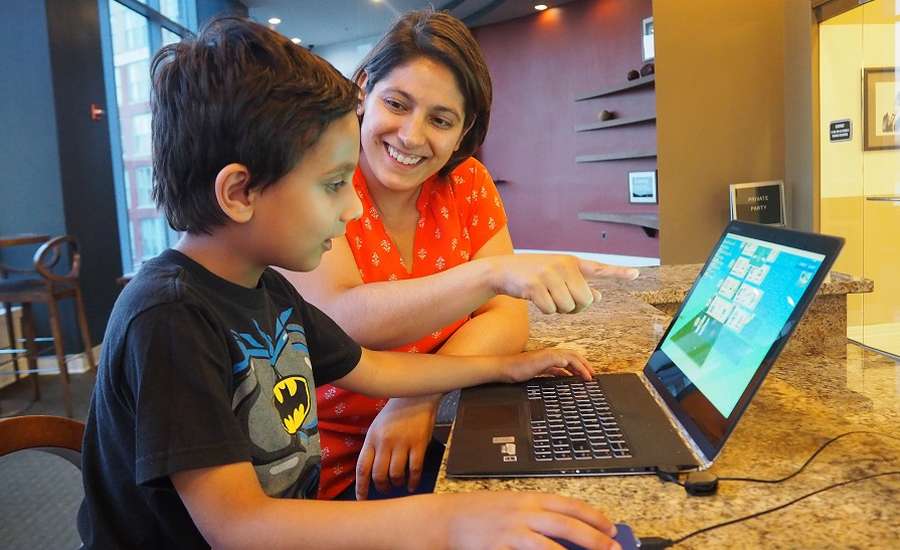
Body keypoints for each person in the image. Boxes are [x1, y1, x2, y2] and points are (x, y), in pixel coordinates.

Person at [76, 16, 623, 550]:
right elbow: (239, 527)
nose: (354, 205)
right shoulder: (168, 318)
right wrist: (447, 522)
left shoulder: (267, 290)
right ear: (239, 193)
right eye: (336, 184)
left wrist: (507, 366)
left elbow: (376, 367)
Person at [283, 10, 640, 501]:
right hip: (320, 472)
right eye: (397, 103)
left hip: (434, 432)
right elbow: (343, 319)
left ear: (465, 126)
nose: (411, 136)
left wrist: (419, 396)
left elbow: (508, 320)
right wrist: (492, 273)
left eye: (440, 119)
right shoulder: (325, 174)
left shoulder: (467, 183)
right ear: (364, 88)